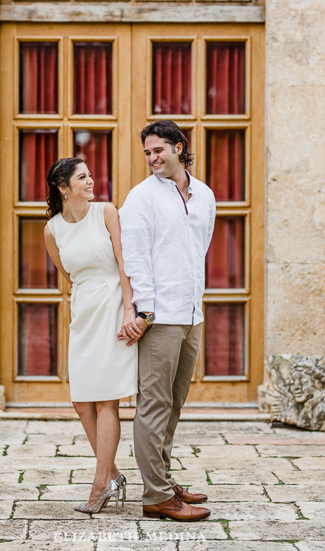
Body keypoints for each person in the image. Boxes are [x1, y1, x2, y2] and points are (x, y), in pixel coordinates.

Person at [119, 119, 216, 521]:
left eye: (158, 150)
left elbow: (200, 249)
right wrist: (144, 310)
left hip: (192, 313)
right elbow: (136, 256)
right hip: (159, 317)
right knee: (154, 405)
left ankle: (162, 478)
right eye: (147, 152)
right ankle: (155, 495)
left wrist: (197, 302)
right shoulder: (141, 198)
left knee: (174, 404)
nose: (152, 158)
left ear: (179, 147)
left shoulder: (205, 195)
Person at [44, 157, 139, 514]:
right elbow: (69, 274)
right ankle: (112, 472)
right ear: (63, 188)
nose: (91, 181)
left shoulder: (107, 212)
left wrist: (129, 308)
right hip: (83, 310)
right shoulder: (52, 229)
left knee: (105, 399)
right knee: (81, 399)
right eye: (82, 177)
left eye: (90, 175)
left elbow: (124, 263)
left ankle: (101, 483)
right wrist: (87, 294)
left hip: (114, 306)